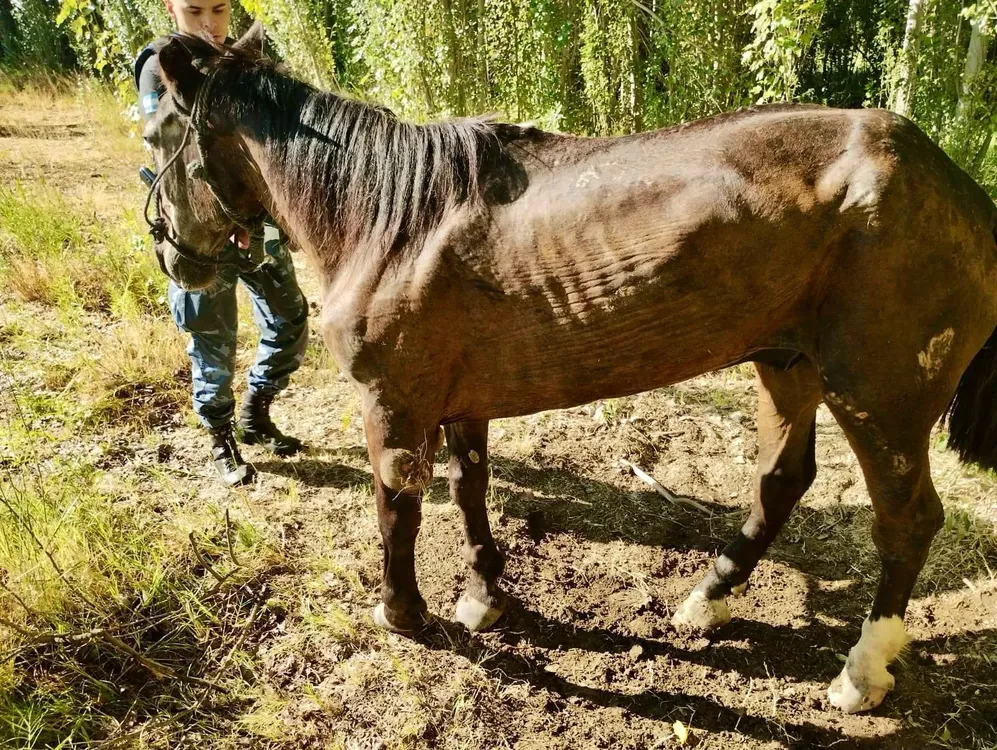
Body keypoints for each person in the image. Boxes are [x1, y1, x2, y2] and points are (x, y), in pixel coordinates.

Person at [134, 0, 308, 486]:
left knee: (290, 319)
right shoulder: (161, 66)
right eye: (194, 11)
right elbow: (171, 148)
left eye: (219, 9)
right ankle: (220, 436)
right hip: (200, 233)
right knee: (212, 339)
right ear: (171, 8)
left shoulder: (240, 57)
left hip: (253, 226)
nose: (209, 23)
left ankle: (257, 410)